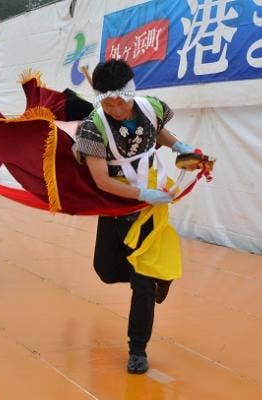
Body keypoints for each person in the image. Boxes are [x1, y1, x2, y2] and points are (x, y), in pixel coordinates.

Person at [73, 59, 214, 374]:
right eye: (106, 102)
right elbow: (102, 181)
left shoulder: (152, 107)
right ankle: (154, 276)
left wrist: (179, 145)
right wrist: (139, 195)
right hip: (118, 200)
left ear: (130, 93)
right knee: (106, 270)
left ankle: (138, 348)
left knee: (142, 280)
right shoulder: (92, 127)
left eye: (119, 102)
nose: (114, 109)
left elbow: (159, 131)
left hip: (153, 198)